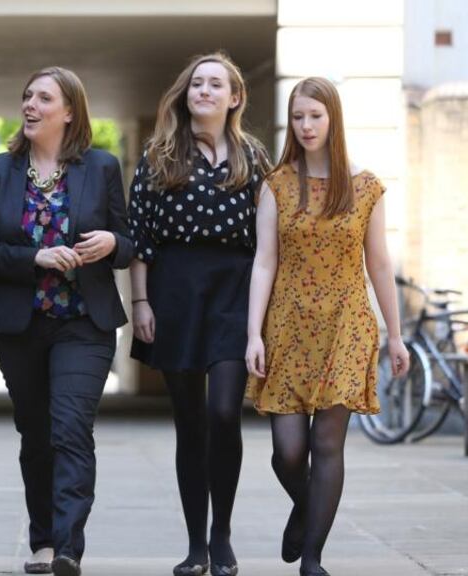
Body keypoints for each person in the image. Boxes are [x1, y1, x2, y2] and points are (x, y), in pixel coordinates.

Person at [244, 77, 409, 576]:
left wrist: (396, 334)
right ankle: (306, 505)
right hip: (288, 327)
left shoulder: (365, 187)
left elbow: (379, 264)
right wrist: (253, 333)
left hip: (347, 324)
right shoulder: (277, 184)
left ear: (332, 118)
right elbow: (264, 263)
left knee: (326, 445)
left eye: (315, 115)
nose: (306, 125)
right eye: (298, 117)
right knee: (287, 453)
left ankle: (312, 557)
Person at [0, 67, 132, 576]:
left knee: (70, 428)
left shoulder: (101, 167)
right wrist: (35, 259)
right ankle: (42, 539)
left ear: (69, 111)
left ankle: (67, 547)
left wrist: (110, 243)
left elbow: (129, 244)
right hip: (20, 326)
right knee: (36, 435)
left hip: (84, 323)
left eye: (44, 98)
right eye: (26, 96)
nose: (30, 105)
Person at [127, 52, 269, 576]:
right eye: (197, 84)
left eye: (216, 84)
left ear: (235, 97)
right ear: (186, 95)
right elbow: (140, 237)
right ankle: (195, 545)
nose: (204, 91)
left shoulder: (254, 156)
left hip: (235, 289)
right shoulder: (159, 153)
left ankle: (223, 534)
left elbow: (272, 240)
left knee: (224, 413)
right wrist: (141, 302)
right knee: (189, 422)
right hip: (176, 292)